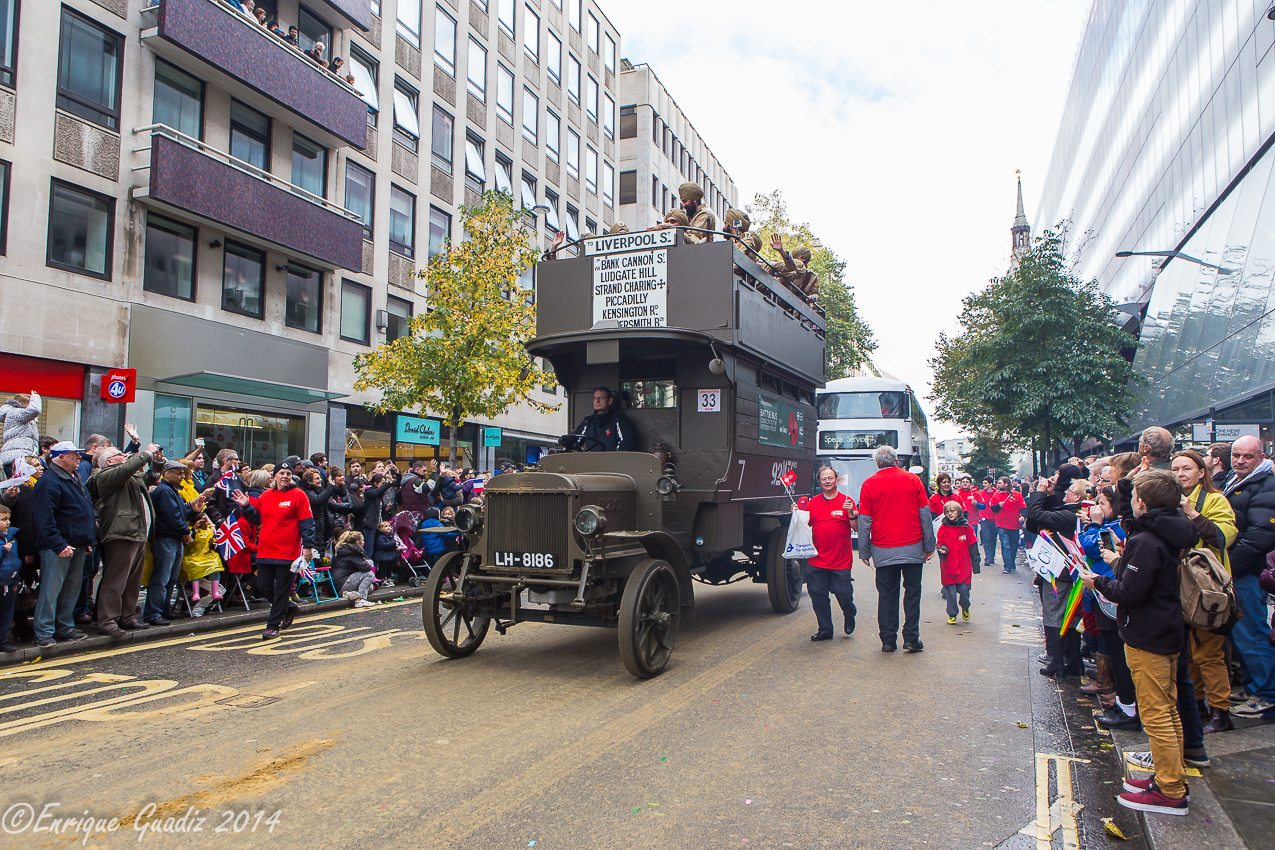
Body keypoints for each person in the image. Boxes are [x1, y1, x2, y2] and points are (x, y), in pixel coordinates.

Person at [1080, 469, 1199, 816]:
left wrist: (1098, 582)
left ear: (1142, 503)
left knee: (1156, 713)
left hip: (1148, 633)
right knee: (1167, 707)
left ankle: (1170, 790)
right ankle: (1169, 775)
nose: (1129, 501)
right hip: (1165, 628)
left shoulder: (1146, 540)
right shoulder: (1167, 532)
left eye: (1133, 496)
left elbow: (1131, 592)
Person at [1171, 449, 1238, 735]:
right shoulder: (1168, 500)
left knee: (1209, 653)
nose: (1180, 474)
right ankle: (1196, 707)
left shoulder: (1215, 499)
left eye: (1186, 468)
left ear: (1201, 472)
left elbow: (1222, 537)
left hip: (1207, 590)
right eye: (1175, 469)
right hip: (1179, 587)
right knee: (1187, 654)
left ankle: (1221, 713)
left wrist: (1191, 512)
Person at [857, 445, 935, 653]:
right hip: (912, 547)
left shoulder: (869, 484)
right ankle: (911, 637)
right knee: (912, 594)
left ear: (877, 463)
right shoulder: (913, 480)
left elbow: (865, 521)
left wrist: (864, 550)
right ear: (897, 460)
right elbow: (924, 515)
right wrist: (928, 545)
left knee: (887, 595)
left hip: (883, 548)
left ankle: (888, 640)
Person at [88, 445, 173, 636]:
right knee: (115, 580)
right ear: (108, 461)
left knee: (133, 581)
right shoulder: (105, 476)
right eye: (119, 454)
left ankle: (127, 617)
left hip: (137, 532)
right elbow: (127, 469)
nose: (124, 456)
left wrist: (157, 461)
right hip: (121, 532)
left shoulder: (129, 476)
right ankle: (107, 620)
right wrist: (145, 453)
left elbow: (149, 477)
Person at [1220, 435, 1275, 719]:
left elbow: (1260, 535)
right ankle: (1255, 686)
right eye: (1236, 455)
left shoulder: (1266, 484)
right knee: (1242, 634)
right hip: (1238, 571)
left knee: (1252, 633)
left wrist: (1229, 567)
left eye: (1248, 456)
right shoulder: (1238, 479)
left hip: (1248, 573)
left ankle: (1266, 695)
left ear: (1262, 457)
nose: (1240, 461)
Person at [232, 461, 315, 640]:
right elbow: (256, 519)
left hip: (287, 551)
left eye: (288, 473)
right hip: (266, 550)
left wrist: (308, 546)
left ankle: (272, 625)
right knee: (263, 586)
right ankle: (289, 607)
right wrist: (246, 506)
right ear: (274, 476)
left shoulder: (298, 495)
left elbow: (307, 522)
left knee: (282, 589)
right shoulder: (266, 495)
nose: (285, 476)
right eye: (281, 473)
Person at [31, 442, 96, 648]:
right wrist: (58, 544)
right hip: (58, 546)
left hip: (76, 543)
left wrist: (86, 540)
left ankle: (64, 627)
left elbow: (82, 509)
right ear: (60, 458)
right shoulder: (49, 481)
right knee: (51, 590)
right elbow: (44, 518)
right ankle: (44, 631)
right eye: (74, 455)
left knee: (70, 589)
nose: (79, 458)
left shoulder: (73, 477)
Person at [1027, 469, 1087, 679]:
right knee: (1070, 617)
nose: (1065, 493)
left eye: (1070, 491)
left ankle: (1056, 661)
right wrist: (1051, 497)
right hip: (1070, 572)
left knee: (1054, 615)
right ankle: (1074, 661)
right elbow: (1050, 514)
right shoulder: (1072, 513)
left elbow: (1036, 516)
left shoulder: (1070, 516)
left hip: (1058, 573)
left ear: (1077, 497)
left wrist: (1039, 493)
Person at [799, 465, 858, 642]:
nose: (827, 481)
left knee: (843, 593)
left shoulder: (846, 501)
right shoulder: (813, 503)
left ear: (836, 480)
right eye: (824, 479)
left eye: (830, 478)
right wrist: (797, 513)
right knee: (817, 595)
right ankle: (825, 629)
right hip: (817, 559)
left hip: (841, 560)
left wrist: (851, 513)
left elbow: (857, 528)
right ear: (819, 481)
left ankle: (849, 612)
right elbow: (802, 526)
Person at [147, 458, 204, 625]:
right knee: (161, 578)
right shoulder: (164, 491)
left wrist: (194, 512)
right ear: (167, 474)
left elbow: (181, 513)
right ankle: (153, 613)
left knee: (171, 578)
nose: (182, 476)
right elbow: (172, 516)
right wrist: (186, 531)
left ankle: (165, 609)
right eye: (179, 474)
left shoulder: (172, 490)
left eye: (183, 473)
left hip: (174, 538)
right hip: (166, 538)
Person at [936, 501, 978, 624]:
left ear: (959, 512)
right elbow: (940, 543)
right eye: (947, 512)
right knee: (950, 592)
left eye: (952, 511)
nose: (950, 513)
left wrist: (976, 563)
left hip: (964, 565)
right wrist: (942, 549)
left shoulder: (967, 528)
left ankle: (965, 606)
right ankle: (952, 614)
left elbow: (973, 546)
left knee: (964, 589)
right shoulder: (943, 528)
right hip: (949, 565)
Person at [568, 387, 634, 452]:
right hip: (590, 458)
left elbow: (625, 445)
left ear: (609, 401)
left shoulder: (619, 419)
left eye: (601, 398)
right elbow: (575, 439)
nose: (597, 401)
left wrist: (613, 458)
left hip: (611, 458)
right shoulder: (588, 421)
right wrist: (566, 441)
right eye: (595, 398)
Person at [988, 476, 1027, 574]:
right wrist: (998, 506)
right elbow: (992, 508)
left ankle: (1011, 563)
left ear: (1006, 484)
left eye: (1000, 483)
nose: (998, 485)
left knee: (1013, 546)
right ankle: (1007, 566)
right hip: (1001, 524)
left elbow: (1023, 507)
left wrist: (1023, 516)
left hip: (1014, 524)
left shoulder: (1017, 494)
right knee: (1005, 546)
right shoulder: (996, 495)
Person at [330, 531, 376, 608]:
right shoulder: (353, 552)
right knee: (370, 574)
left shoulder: (343, 551)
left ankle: (347, 594)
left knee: (370, 587)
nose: (364, 542)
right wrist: (367, 561)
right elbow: (366, 568)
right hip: (341, 584)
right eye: (362, 540)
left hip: (333, 588)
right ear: (357, 542)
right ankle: (360, 600)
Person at [768, 234, 820, 300]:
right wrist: (782, 251)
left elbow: (816, 293)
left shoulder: (812, 277)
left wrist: (813, 297)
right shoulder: (783, 268)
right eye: (797, 261)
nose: (799, 264)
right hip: (779, 299)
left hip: (797, 304)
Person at [0, 391, 40, 476]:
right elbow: (35, 410)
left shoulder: (16, 415)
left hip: (19, 458)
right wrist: (35, 397)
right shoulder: (16, 413)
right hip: (17, 458)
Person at [0, 504, 20, 652]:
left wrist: (15, 580)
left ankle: (2, 640)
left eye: (8, 519)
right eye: (3, 519)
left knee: (6, 614)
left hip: (8, 581)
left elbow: (15, 561)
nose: (8, 522)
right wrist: (2, 550)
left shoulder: (11, 537)